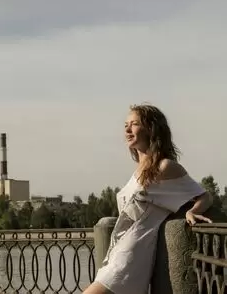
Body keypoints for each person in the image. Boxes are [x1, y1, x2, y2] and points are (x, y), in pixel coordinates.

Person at [83, 104, 213, 294]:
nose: (127, 129)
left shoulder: (166, 167)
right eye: (126, 124)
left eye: (134, 124)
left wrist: (192, 211)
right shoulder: (139, 170)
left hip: (132, 256)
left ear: (151, 129)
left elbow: (205, 195)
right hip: (117, 253)